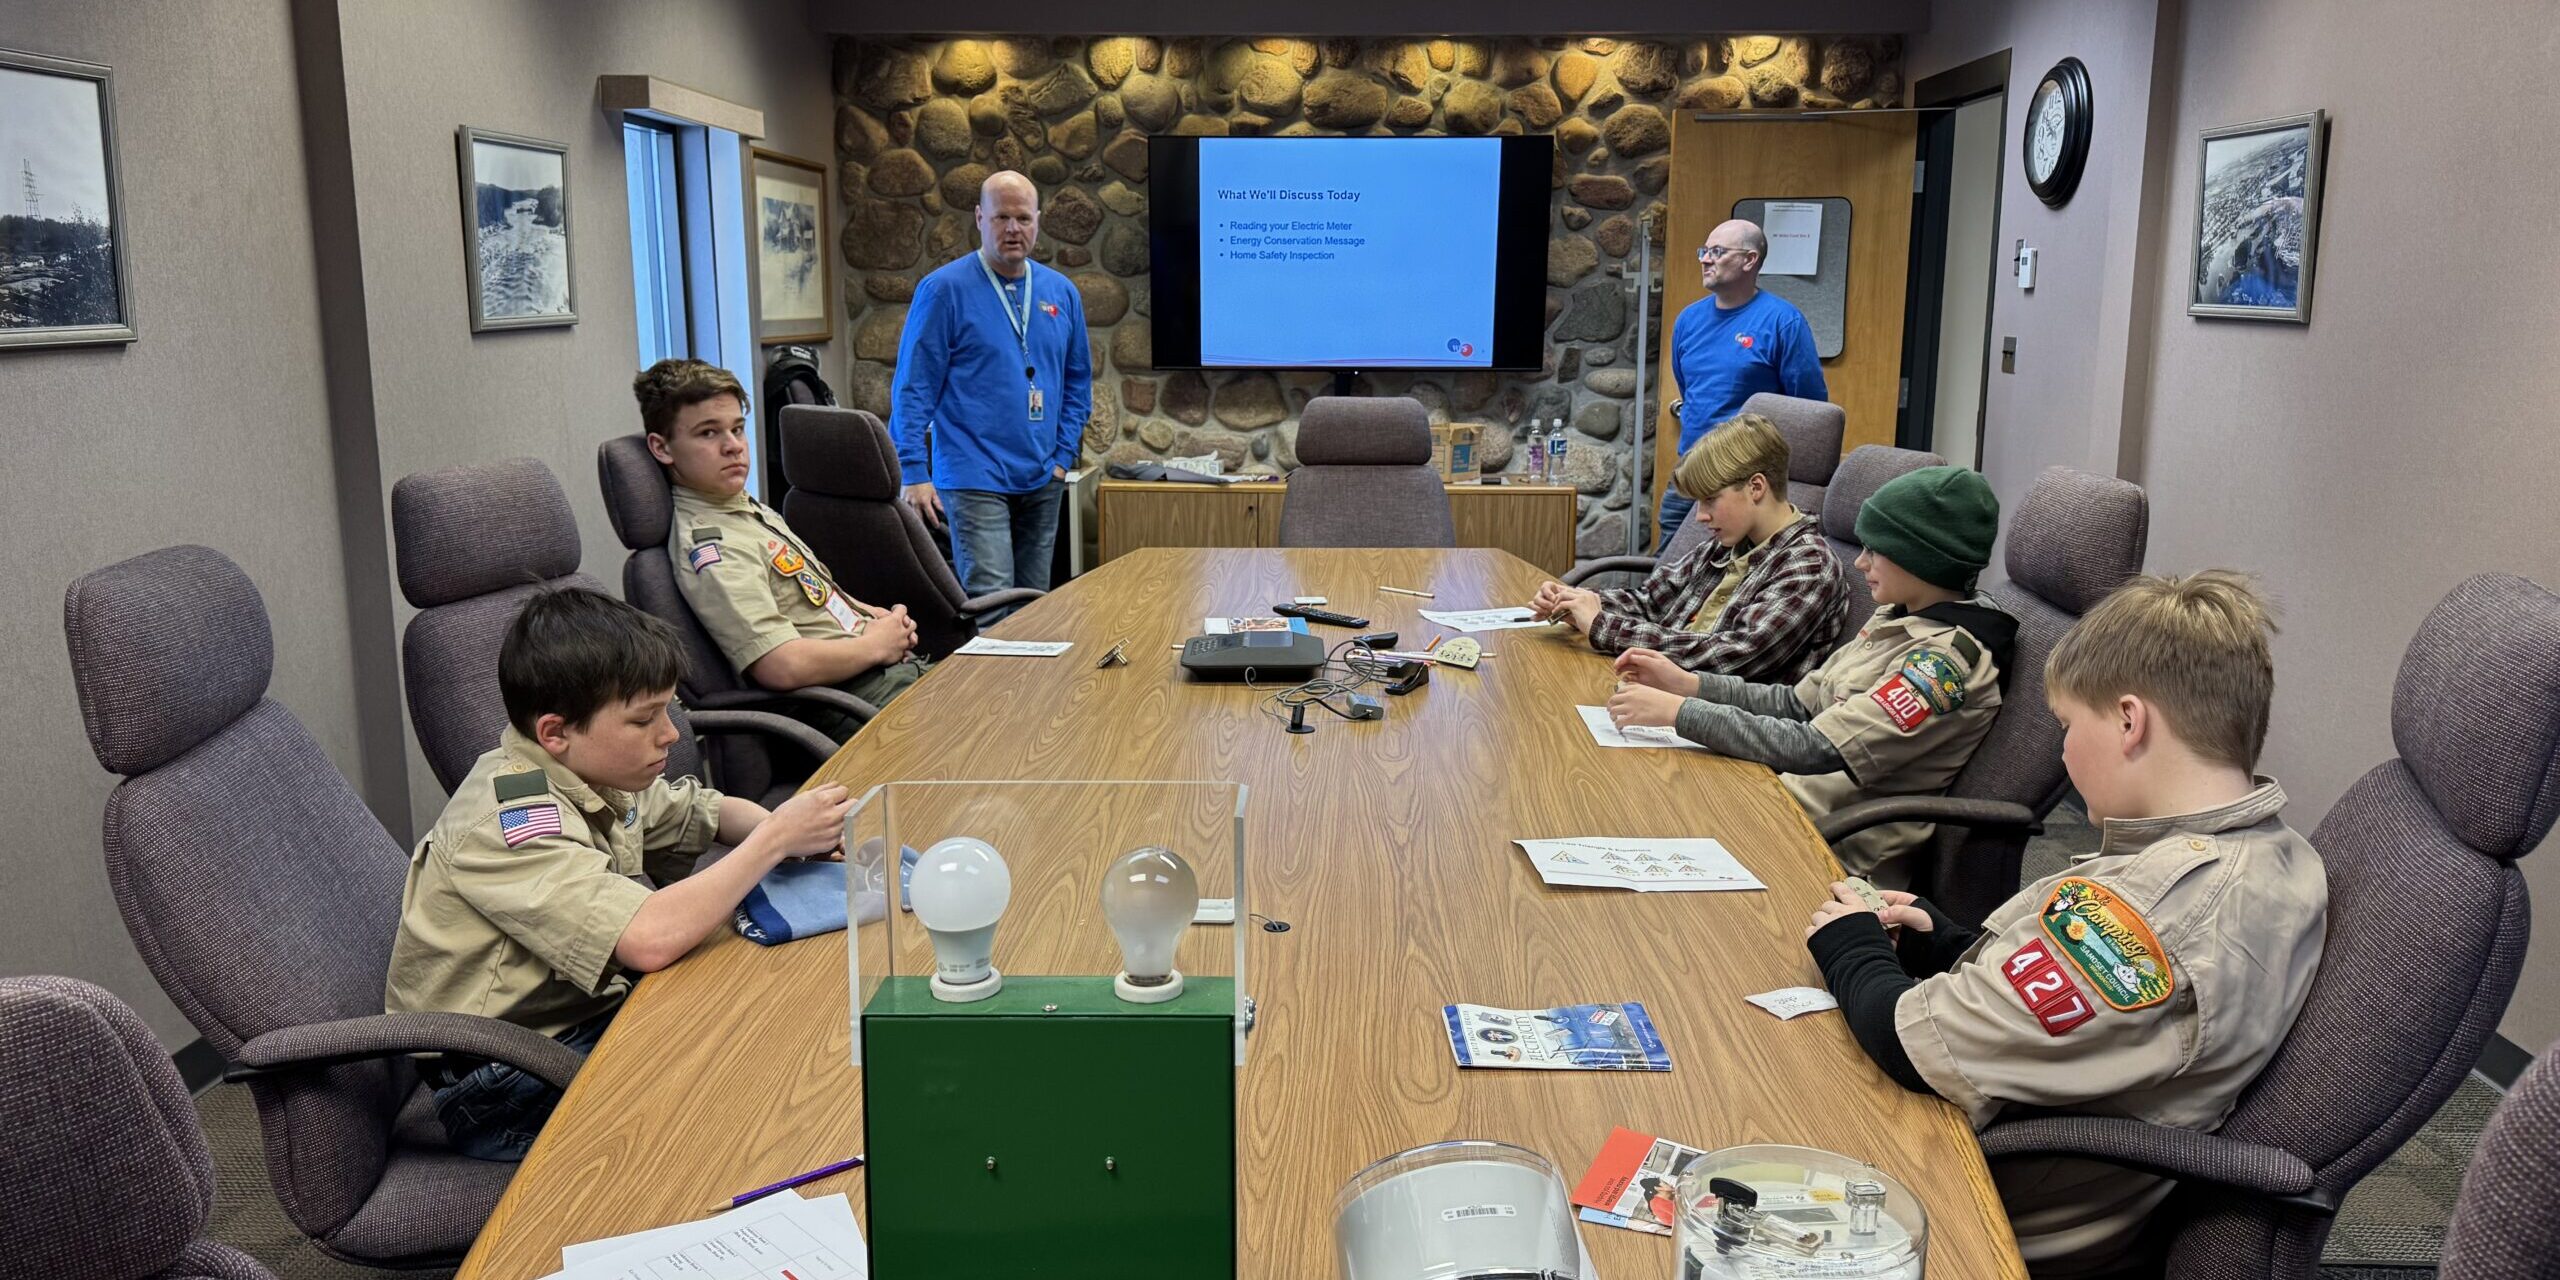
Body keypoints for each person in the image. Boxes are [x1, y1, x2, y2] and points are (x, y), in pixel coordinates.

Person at [1800, 571, 2325, 1276]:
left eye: (2070, 726)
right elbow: (2100, 1017)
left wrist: (1850, 942)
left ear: (2130, 722)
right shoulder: (2273, 848)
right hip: (2029, 1128)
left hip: (1982, 1209)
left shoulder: (2157, 909)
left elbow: (1913, 1045)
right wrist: (1947, 941)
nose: (2066, 752)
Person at [384, 588, 855, 1160]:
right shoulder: (510, 822)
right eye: (644, 720)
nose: (671, 734)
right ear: (555, 731)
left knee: (770, 1023)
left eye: (668, 710)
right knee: (748, 1101)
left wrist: (791, 833)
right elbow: (648, 939)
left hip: (582, 1022)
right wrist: (775, 840)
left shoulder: (589, 770)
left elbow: (699, 812)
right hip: (508, 1079)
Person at [1607, 466, 2011, 882]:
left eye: (1876, 550)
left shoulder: (1942, 666)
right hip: (1780, 804)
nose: (1860, 561)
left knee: (1639, 820)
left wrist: (1680, 712)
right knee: (1630, 796)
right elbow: (1797, 705)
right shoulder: (1897, 617)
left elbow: (1816, 747)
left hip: (1830, 853)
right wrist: (1690, 684)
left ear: (1921, 558)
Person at [640, 358, 926, 743]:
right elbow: (780, 666)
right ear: (662, 448)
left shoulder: (740, 507)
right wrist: (875, 646)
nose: (733, 447)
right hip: (849, 702)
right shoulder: (713, 545)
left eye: (737, 429)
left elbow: (810, 597)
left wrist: (871, 617)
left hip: (879, 676)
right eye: (708, 434)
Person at [891, 170, 1090, 614]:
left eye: (1023, 217)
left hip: (1042, 477)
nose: (1013, 229)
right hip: (972, 476)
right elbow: (913, 386)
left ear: (1038, 220)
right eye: (1001, 217)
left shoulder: (1062, 292)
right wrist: (913, 471)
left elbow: (1078, 382)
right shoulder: (943, 290)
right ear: (980, 218)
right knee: (993, 612)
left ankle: (1033, 688)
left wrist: (1061, 461)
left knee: (1034, 610)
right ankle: (997, 687)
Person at [1527, 413, 1850, 682]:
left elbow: (1732, 657)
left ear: (1755, 487)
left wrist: (1602, 625)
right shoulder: (1730, 544)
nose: (1700, 516)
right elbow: (1652, 602)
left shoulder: (1810, 567)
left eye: (1710, 499)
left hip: (1719, 732)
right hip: (1656, 692)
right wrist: (1579, 603)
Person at [1658, 218, 1827, 549]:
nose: (1705, 259)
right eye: (1704, 251)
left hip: (1746, 484)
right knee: (1667, 572)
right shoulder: (1689, 319)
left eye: (1717, 251)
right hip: (1690, 473)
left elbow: (1810, 410)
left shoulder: (1783, 321)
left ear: (1750, 260)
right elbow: (1689, 390)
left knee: (1732, 582)